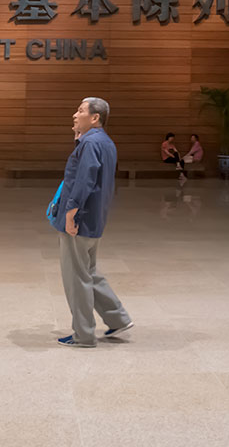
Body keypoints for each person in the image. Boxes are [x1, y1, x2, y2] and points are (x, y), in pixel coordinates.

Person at [47, 97, 132, 348]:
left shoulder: (90, 143)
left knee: (77, 278)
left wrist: (70, 214)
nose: (75, 115)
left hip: (80, 219)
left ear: (95, 118)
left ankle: (83, 335)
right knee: (89, 272)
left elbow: (84, 180)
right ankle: (117, 318)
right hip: (95, 218)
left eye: (80, 110)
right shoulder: (103, 142)